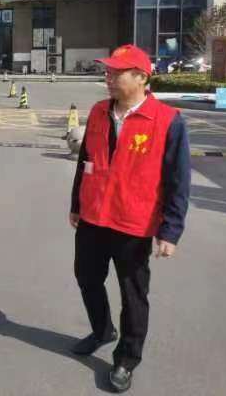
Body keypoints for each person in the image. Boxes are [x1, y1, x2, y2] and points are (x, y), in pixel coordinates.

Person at [69, 44, 191, 393]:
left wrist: (170, 231)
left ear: (141, 77)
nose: (108, 77)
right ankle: (102, 330)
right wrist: (76, 203)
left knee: (133, 294)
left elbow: (178, 180)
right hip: (93, 216)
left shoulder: (167, 120)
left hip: (133, 222)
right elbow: (85, 160)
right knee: (86, 277)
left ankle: (127, 358)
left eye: (116, 73)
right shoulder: (98, 112)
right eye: (107, 72)